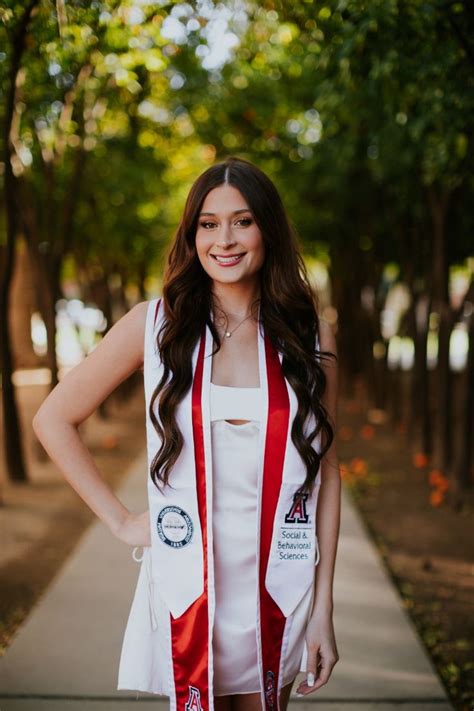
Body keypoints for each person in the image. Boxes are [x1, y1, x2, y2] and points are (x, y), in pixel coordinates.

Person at [33, 155, 341, 711]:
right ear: (192, 234)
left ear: (268, 229)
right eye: (208, 223)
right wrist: (123, 522)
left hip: (278, 585)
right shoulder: (157, 326)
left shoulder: (307, 335)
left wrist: (323, 609)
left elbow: (327, 471)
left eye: (242, 221)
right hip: (190, 586)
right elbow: (53, 417)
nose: (224, 238)